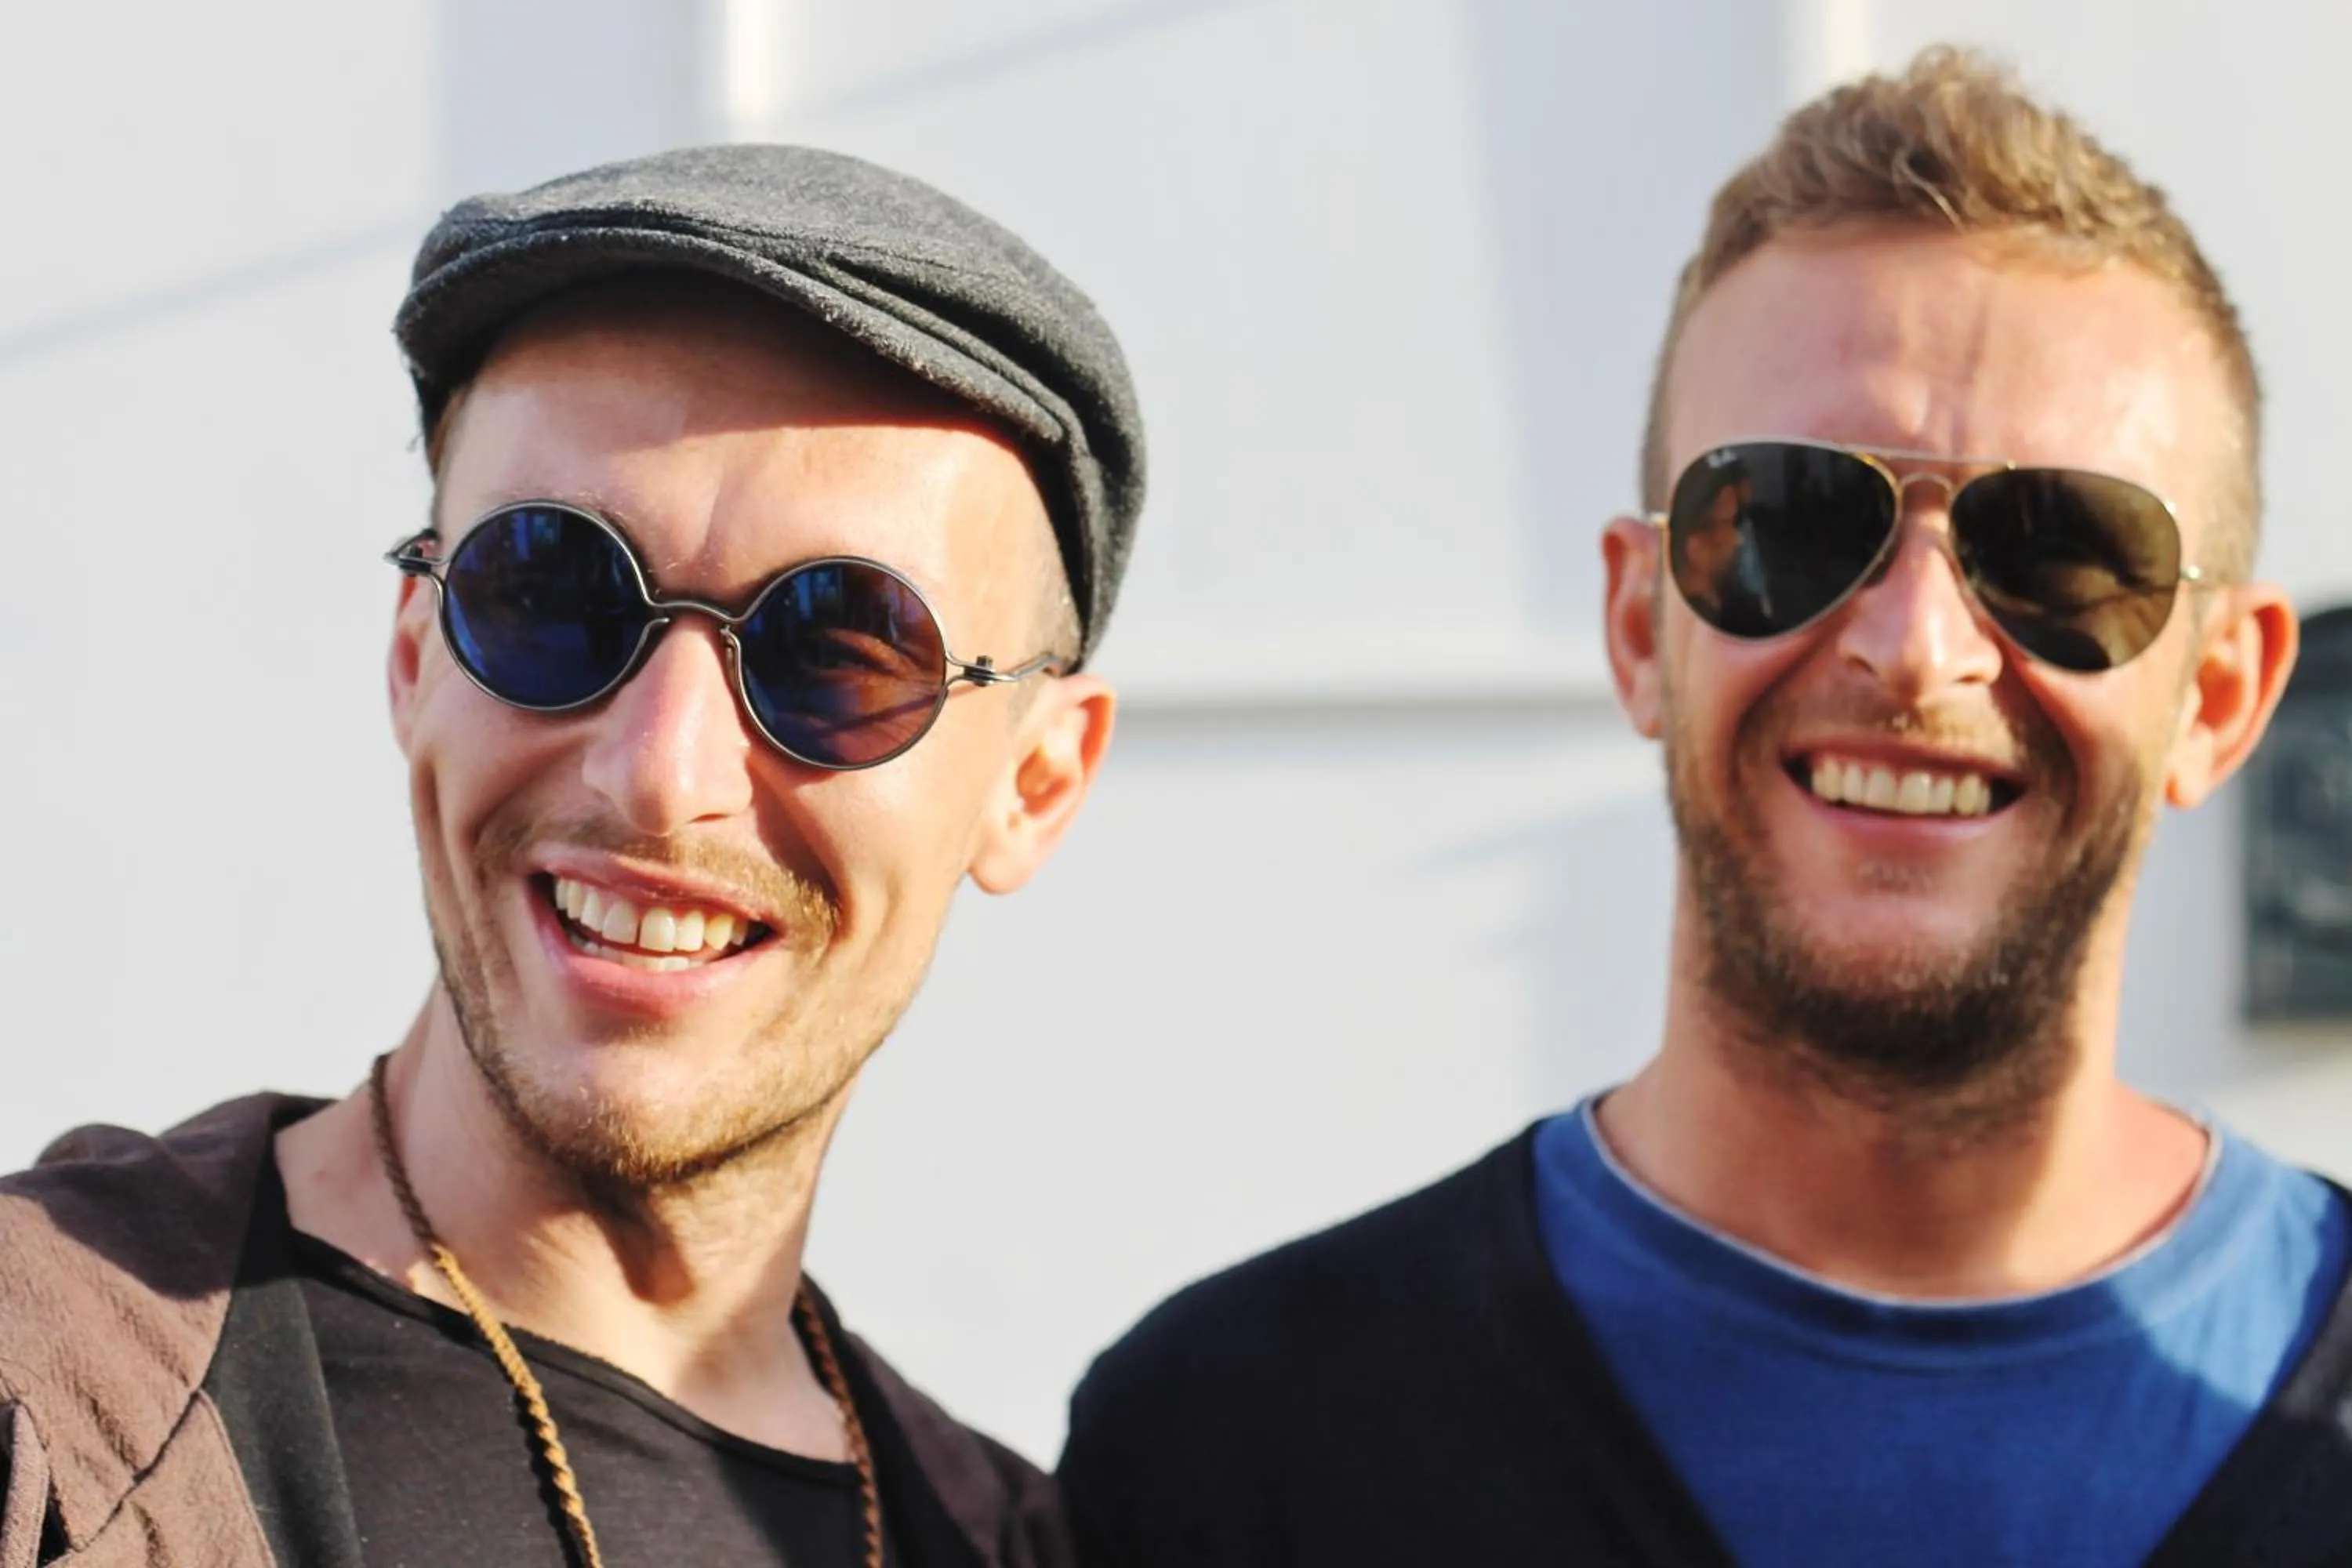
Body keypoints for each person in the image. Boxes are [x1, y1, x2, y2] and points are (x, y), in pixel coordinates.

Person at [1058, 48, 2352, 1568]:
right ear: (1635, 626)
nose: (1913, 649)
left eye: (2062, 547)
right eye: (1795, 523)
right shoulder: (1231, 1446)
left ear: (2219, 692)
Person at [0, 143, 1142, 1567]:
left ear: (1035, 784)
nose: (658, 776)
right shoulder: (46, 1425)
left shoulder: (1020, 1543)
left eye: (842, 651)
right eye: (548, 592)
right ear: (415, 657)